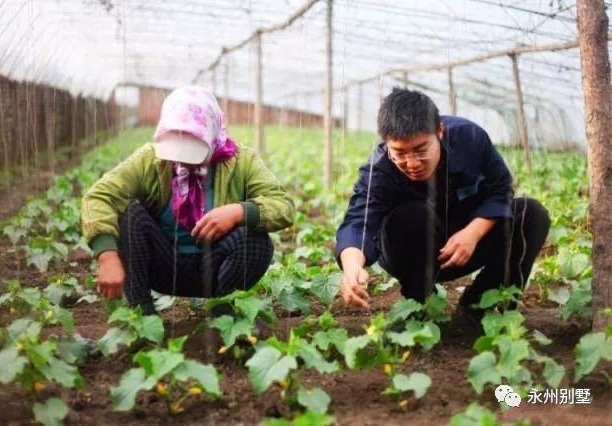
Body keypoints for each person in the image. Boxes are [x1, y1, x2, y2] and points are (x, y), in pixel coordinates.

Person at [335, 88, 550, 327]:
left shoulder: (470, 139)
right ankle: (418, 305)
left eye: (420, 150)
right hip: (412, 256)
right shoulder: (379, 170)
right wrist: (352, 268)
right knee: (412, 216)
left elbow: (501, 189)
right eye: (400, 153)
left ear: (440, 131)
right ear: (387, 145)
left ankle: (480, 305)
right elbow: (359, 221)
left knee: (531, 216)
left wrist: (473, 233)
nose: (412, 163)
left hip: (467, 246)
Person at [81, 86, 294, 315]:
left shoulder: (241, 161)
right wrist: (107, 256)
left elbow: (283, 206)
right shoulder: (150, 160)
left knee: (255, 239)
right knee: (131, 216)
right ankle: (142, 318)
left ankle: (222, 314)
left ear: (212, 134)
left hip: (216, 268)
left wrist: (238, 212)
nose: (183, 159)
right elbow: (99, 196)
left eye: (193, 149)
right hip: (163, 266)